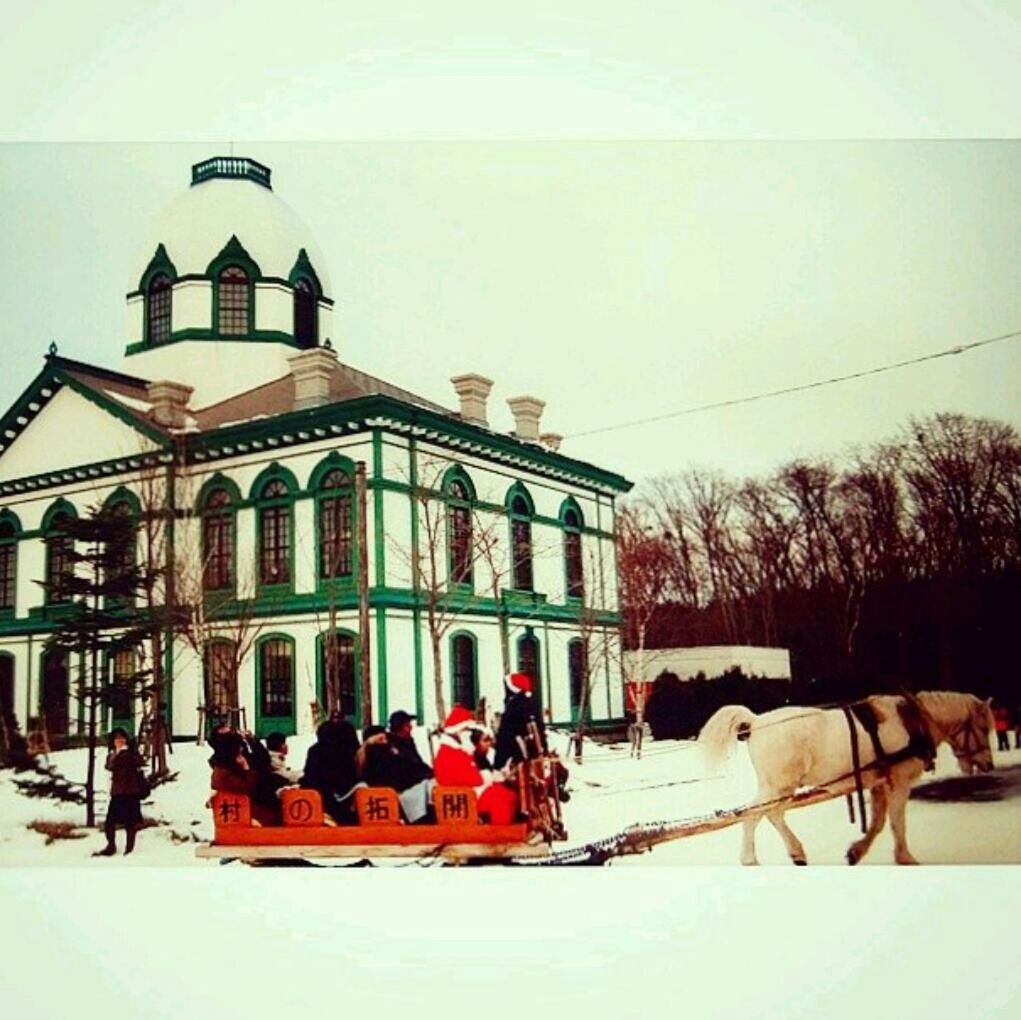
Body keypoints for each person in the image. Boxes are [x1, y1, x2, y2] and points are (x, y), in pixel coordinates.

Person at [434, 706, 519, 825]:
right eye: (467, 730)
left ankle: (501, 828)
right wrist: (488, 777)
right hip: (465, 797)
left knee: (508, 794)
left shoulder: (458, 750)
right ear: (459, 730)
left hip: (470, 791)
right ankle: (497, 832)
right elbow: (470, 778)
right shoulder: (449, 752)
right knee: (503, 799)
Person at [209, 731, 282, 826]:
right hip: (247, 809)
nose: (241, 749)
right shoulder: (224, 772)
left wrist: (253, 742)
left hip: (255, 802)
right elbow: (247, 787)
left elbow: (262, 761)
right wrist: (246, 768)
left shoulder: (234, 762)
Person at [96, 727, 146, 856]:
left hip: (131, 791)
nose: (120, 741)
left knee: (130, 823)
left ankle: (129, 849)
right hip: (118, 792)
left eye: (122, 738)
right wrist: (116, 754)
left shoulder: (131, 753)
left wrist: (124, 753)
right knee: (110, 822)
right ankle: (111, 846)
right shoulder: (113, 754)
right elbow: (109, 766)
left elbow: (139, 762)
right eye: (117, 739)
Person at [301, 719, 363, 823]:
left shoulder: (316, 751)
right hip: (352, 808)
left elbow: (309, 776)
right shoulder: (355, 751)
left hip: (319, 805)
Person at [384, 709, 436, 823]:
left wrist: (432, 773)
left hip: (417, 782)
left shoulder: (408, 743)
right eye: (407, 725)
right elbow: (407, 770)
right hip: (404, 788)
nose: (411, 728)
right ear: (399, 728)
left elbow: (419, 764)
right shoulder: (391, 746)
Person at [494, 673, 546, 767]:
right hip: (533, 754)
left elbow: (506, 734)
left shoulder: (513, 706)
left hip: (515, 754)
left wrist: (499, 763)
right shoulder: (531, 704)